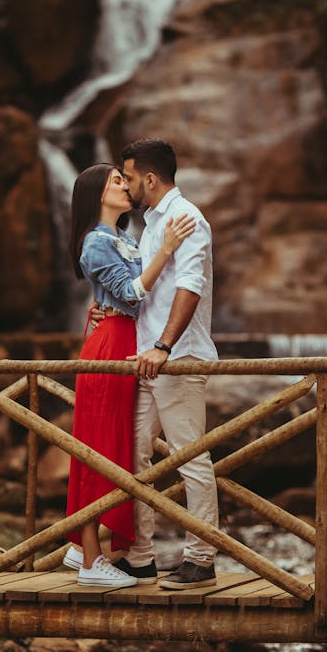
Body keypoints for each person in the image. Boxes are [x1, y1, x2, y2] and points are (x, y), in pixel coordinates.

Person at [93, 138, 219, 590]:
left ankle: (201, 559)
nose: (124, 185)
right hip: (145, 361)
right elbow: (145, 289)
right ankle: (141, 557)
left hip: (176, 359)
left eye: (127, 177)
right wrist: (111, 311)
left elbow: (190, 286)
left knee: (190, 459)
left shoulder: (186, 219)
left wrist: (164, 347)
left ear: (149, 178)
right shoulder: (149, 225)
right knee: (132, 454)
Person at [64, 162, 195, 588]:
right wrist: (167, 247)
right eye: (116, 181)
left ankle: (87, 549)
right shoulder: (95, 243)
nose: (126, 186)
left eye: (125, 178)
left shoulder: (124, 237)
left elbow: (124, 295)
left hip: (126, 342)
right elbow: (132, 295)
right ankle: (89, 562)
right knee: (95, 449)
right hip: (110, 347)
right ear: (97, 194)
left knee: (117, 451)